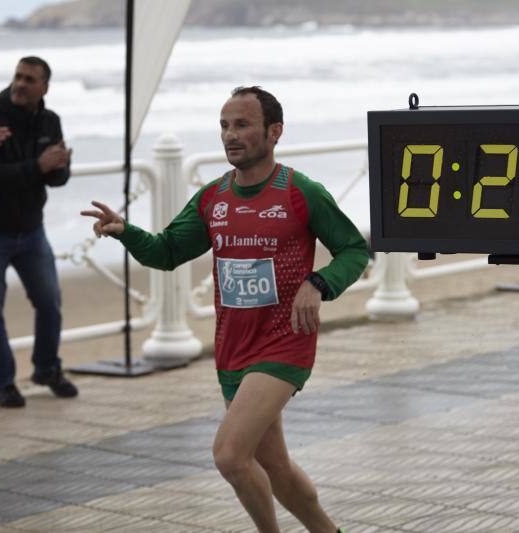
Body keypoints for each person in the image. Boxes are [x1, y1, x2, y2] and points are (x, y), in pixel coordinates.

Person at [82, 86, 367, 533]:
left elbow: (354, 249)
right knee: (277, 468)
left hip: (284, 342)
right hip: (233, 346)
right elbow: (168, 251)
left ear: (275, 132)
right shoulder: (213, 197)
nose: (230, 136)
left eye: (242, 125)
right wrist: (126, 232)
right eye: (224, 125)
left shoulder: (299, 192)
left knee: (231, 455)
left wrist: (319, 282)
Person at [0, 56, 78, 408]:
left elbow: (56, 178)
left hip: (32, 229)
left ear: (44, 87)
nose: (20, 83)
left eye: (30, 79)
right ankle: (3, 384)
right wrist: (38, 166)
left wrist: (59, 166)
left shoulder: (50, 120)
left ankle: (47, 369)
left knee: (50, 301)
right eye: (18, 76)